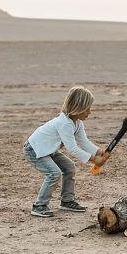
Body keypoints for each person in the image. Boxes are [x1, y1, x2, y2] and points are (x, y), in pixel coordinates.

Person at [23, 86, 106, 217]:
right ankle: (39, 205)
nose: (90, 112)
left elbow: (83, 141)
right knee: (53, 173)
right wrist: (93, 159)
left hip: (49, 150)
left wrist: (99, 151)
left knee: (69, 167)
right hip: (34, 149)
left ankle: (67, 201)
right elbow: (72, 148)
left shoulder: (77, 122)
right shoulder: (65, 124)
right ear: (78, 107)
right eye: (88, 108)